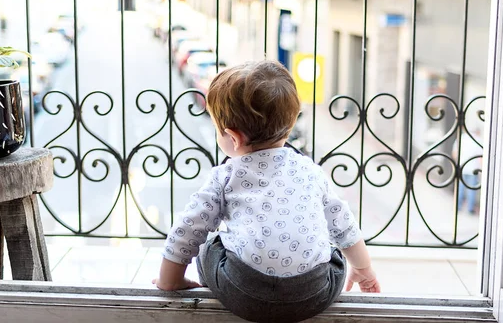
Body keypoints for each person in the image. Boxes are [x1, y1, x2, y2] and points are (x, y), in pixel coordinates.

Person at [153, 61, 380, 323]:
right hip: (314, 293)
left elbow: (189, 228)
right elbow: (343, 223)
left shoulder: (225, 176)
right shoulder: (310, 170)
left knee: (207, 245)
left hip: (243, 293)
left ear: (233, 138)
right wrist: (363, 269)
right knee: (333, 253)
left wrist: (170, 280)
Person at [452, 128, 483, 214]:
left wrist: (457, 164)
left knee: (460, 188)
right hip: (474, 169)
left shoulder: (462, 138)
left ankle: (457, 206)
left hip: (462, 167)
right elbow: (481, 156)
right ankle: (470, 208)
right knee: (471, 189)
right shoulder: (478, 140)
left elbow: (455, 153)